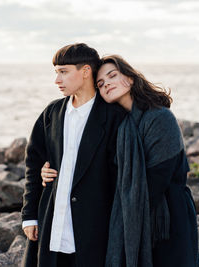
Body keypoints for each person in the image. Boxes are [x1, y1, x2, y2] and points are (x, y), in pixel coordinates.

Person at [41, 55, 199, 267]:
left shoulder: (160, 118)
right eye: (100, 83)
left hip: (167, 217)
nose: (106, 83)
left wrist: (118, 216)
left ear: (131, 78)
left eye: (112, 75)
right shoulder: (120, 125)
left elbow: (157, 178)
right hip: (132, 216)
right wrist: (51, 171)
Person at [21, 44, 126, 266]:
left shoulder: (114, 117)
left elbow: (121, 177)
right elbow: (34, 164)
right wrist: (29, 216)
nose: (57, 80)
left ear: (86, 71)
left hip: (94, 230)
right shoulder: (52, 113)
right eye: (56, 73)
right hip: (52, 224)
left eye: (63, 72)